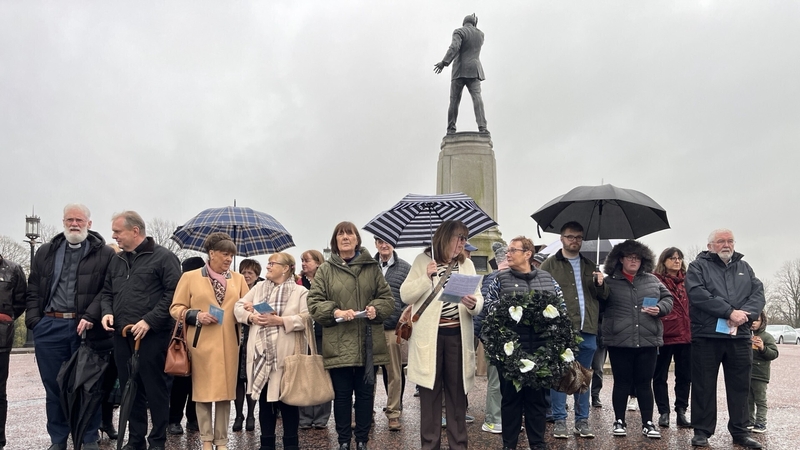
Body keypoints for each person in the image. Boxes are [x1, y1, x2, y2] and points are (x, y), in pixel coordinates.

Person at [25, 204, 116, 450]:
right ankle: (58, 438)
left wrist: (90, 315)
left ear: (89, 223)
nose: (74, 224)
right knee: (53, 386)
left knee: (88, 385)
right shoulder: (46, 251)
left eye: (79, 220)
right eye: (69, 220)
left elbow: (107, 291)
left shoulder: (105, 254)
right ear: (63, 222)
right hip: (50, 325)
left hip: (85, 327)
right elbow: (33, 289)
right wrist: (35, 322)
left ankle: (88, 436)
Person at [307, 222, 394, 450]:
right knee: (342, 396)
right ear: (335, 240)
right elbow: (314, 302)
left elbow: (387, 299)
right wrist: (334, 311)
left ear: (357, 239)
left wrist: (376, 308)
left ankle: (363, 440)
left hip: (367, 343)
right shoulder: (325, 270)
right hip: (338, 343)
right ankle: (344, 440)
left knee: (366, 396)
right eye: (340, 234)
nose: (345, 237)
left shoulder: (371, 267)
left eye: (350, 233)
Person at [100, 211, 181, 450]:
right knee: (129, 388)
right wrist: (107, 311)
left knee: (155, 390)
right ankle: (136, 441)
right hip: (122, 336)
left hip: (153, 336)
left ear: (135, 231)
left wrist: (149, 321)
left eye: (117, 231)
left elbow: (173, 294)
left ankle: (157, 441)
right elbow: (107, 292)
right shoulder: (117, 259)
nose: (114, 236)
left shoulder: (164, 258)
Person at [400, 220, 483, 450]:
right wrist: (426, 277)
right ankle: (430, 445)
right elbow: (406, 295)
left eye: (465, 239)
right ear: (445, 237)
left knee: (457, 396)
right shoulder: (423, 260)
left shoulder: (467, 265)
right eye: (459, 238)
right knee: (430, 395)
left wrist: (473, 303)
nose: (462, 243)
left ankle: (459, 445)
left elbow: (478, 298)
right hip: (430, 338)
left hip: (457, 335)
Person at [686, 229, 765, 449]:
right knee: (703, 385)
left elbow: (758, 294)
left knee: (741, 385)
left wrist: (743, 315)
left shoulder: (744, 267)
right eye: (721, 241)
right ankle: (701, 431)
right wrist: (729, 312)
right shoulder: (697, 267)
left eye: (730, 241)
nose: (726, 244)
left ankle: (740, 431)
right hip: (707, 336)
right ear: (710, 245)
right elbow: (698, 294)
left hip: (739, 337)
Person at [170, 233, 248, 450]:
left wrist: (249, 310)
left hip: (229, 344)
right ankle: (206, 439)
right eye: (225, 253)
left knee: (225, 393)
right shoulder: (190, 277)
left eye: (231, 255)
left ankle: (221, 441)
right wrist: (196, 315)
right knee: (203, 393)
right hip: (201, 342)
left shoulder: (238, 279)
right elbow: (175, 308)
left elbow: (245, 307)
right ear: (211, 253)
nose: (228, 259)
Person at [483, 236, 560, 450]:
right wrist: (511, 306)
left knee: (537, 403)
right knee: (510, 402)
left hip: (540, 351)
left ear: (527, 254)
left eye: (513, 250)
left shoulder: (547, 279)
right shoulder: (500, 279)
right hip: (510, 352)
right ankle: (510, 445)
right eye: (507, 250)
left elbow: (560, 308)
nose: (507, 254)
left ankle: (538, 444)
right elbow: (489, 307)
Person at [598, 240, 673, 440]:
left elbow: (668, 299)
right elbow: (599, 302)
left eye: (637, 257)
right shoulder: (609, 282)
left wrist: (660, 309)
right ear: (620, 259)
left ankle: (647, 422)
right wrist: (597, 284)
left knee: (644, 383)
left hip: (647, 339)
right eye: (629, 257)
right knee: (621, 383)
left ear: (643, 260)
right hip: (619, 340)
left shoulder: (653, 280)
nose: (634, 260)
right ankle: (619, 420)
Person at [539, 222, 608, 439]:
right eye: (570, 236)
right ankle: (560, 420)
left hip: (587, 328)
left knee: (584, 376)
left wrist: (600, 283)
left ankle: (582, 420)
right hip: (560, 330)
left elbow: (604, 297)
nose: (574, 241)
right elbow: (540, 295)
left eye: (578, 237)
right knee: (560, 376)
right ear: (562, 238)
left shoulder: (590, 266)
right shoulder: (549, 265)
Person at [234, 252, 307, 450]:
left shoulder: (300, 292)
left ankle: (291, 444)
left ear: (285, 268)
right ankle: (267, 444)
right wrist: (251, 318)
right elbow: (238, 307)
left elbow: (306, 318)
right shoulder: (258, 287)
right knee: (265, 403)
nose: (267, 267)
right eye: (268, 263)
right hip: (260, 355)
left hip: (286, 356)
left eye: (272, 264)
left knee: (288, 402)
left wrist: (280, 320)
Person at [373, 237, 411, 431]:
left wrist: (404, 318)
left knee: (394, 373)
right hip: (370, 327)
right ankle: (366, 412)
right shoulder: (368, 267)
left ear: (393, 244)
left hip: (392, 327)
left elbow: (410, 296)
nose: (384, 245)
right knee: (368, 373)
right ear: (375, 244)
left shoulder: (405, 267)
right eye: (380, 241)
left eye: (387, 241)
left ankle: (393, 412)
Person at [652, 247, 692, 429]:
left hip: (686, 335)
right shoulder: (655, 280)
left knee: (684, 375)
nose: (677, 261)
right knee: (659, 375)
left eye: (679, 258)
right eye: (672, 258)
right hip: (664, 334)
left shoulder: (689, 281)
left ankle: (681, 411)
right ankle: (663, 412)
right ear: (664, 260)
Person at [433, 13, 488, 134]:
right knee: (477, 98)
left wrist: (444, 62)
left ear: (463, 23)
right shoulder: (481, 35)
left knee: (454, 100)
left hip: (459, 70)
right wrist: (475, 25)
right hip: (474, 70)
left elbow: (454, 47)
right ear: (474, 23)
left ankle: (451, 129)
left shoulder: (459, 32)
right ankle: (483, 127)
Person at [167, 257, 204, 436]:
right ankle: (174, 419)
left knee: (197, 382)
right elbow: (175, 310)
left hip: (202, 339)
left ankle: (192, 418)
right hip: (183, 339)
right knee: (181, 381)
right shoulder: (181, 286)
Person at [296, 250, 332, 430]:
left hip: (322, 333)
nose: (303, 264)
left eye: (307, 261)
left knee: (321, 374)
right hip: (302, 334)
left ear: (318, 262)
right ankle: (304, 416)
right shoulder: (297, 282)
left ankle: (321, 417)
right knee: (304, 373)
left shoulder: (326, 280)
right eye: (302, 261)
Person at [476, 243, 507, 435]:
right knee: (497, 380)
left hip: (493, 336)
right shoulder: (497, 278)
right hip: (496, 336)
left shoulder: (490, 278)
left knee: (501, 380)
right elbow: (486, 310)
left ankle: (501, 417)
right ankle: (493, 419)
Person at [232, 258, 263, 432]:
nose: (246, 275)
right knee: (238, 379)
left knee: (251, 377)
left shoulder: (261, 289)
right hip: (237, 339)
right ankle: (238, 415)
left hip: (254, 339)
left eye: (250, 273)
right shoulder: (235, 288)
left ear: (257, 275)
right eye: (243, 272)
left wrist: (254, 308)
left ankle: (251, 414)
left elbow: (269, 309)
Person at [0, 253, 26, 449]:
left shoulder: (13, 269)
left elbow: (19, 302)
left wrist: (4, 320)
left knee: (0, 392)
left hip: (1, 337)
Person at [748, 311, 778, 434]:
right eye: (752, 320)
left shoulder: (766, 337)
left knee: (760, 399)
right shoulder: (745, 335)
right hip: (746, 373)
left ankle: (761, 422)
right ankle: (749, 420)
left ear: (762, 322)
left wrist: (762, 348)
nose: (754, 322)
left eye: (757, 320)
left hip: (760, 374)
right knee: (748, 399)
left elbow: (774, 354)